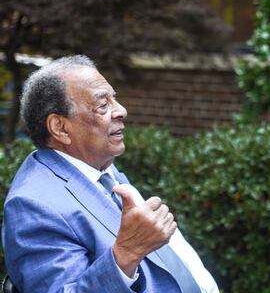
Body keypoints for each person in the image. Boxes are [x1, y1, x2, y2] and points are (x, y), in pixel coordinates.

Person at [2, 55, 219, 293]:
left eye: (114, 99)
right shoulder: (33, 205)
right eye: (103, 105)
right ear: (60, 128)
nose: (121, 111)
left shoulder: (97, 167)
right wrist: (126, 253)